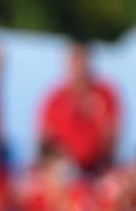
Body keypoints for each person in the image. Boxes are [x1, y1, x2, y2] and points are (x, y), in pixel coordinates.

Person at [37, 39, 121, 175]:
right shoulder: (55, 98)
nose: (78, 66)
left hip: (98, 170)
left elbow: (112, 133)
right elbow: (44, 137)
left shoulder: (105, 94)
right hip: (64, 172)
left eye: (81, 59)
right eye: (73, 60)